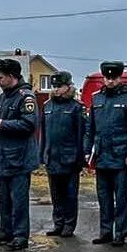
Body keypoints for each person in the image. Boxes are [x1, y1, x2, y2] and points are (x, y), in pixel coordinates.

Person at [84, 61, 127, 246]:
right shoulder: (96, 98)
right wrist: (87, 151)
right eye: (107, 77)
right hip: (102, 155)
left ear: (119, 77)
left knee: (121, 198)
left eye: (114, 78)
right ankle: (106, 231)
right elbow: (90, 128)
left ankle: (121, 233)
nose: (110, 81)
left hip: (121, 155)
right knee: (104, 197)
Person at [0, 58, 40, 251]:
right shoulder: (3, 97)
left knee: (19, 201)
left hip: (20, 159)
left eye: (0, 77)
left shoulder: (26, 97)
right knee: (4, 201)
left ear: (11, 77)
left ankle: (20, 236)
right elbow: (2, 121)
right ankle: (5, 232)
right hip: (5, 157)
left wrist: (2, 124)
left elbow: (29, 124)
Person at [40, 71, 87, 238]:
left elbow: (81, 134)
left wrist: (81, 159)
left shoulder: (76, 107)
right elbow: (44, 133)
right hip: (52, 157)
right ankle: (58, 223)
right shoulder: (47, 106)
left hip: (70, 158)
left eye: (60, 86)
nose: (56, 89)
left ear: (68, 87)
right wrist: (42, 155)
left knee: (70, 195)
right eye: (54, 86)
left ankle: (69, 224)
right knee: (56, 195)